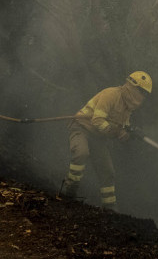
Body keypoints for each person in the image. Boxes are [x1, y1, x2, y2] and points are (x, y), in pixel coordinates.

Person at [59, 71, 152, 208]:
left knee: (107, 172)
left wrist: (126, 134)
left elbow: (121, 127)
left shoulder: (127, 108)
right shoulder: (111, 94)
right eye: (141, 92)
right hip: (81, 128)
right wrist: (115, 132)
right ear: (132, 86)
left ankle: (110, 209)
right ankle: (69, 191)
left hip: (98, 137)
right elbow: (97, 120)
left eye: (145, 94)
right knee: (81, 153)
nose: (142, 96)